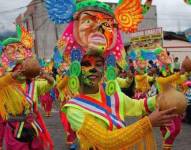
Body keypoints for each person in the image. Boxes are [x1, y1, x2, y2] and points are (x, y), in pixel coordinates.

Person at [0, 25, 54, 150]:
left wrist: (49, 78)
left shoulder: (33, 83)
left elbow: (50, 85)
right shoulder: (6, 84)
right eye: (18, 68)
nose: (21, 70)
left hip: (33, 126)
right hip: (14, 128)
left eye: (23, 68)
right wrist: (11, 76)